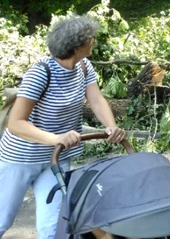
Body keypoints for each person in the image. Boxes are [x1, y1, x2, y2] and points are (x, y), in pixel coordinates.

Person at [0, 16, 126, 239]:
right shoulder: (40, 73)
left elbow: (96, 100)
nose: (94, 41)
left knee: (52, 227)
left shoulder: (84, 66)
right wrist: (54, 138)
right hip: (20, 158)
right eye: (91, 39)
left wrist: (111, 127)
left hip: (55, 159)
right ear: (77, 47)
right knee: (2, 219)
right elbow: (16, 123)